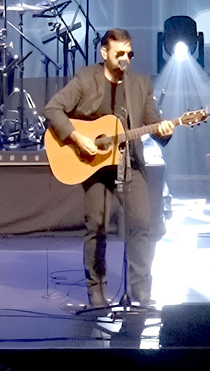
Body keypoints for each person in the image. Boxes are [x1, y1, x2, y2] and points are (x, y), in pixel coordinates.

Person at [43, 29, 175, 308]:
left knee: (142, 224)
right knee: (97, 226)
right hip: (94, 165)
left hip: (129, 162)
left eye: (129, 54)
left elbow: (152, 121)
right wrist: (78, 137)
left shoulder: (140, 84)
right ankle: (96, 289)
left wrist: (165, 130)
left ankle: (140, 291)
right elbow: (53, 109)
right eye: (119, 54)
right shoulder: (86, 78)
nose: (125, 59)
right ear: (104, 53)